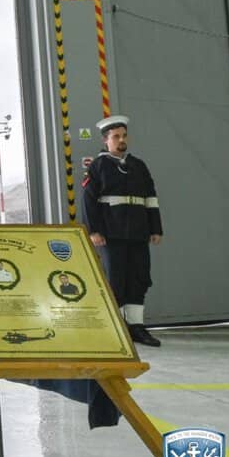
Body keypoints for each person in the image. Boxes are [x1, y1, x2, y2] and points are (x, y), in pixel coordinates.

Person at [81, 115, 163, 347]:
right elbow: (88, 201)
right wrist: (93, 231)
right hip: (111, 233)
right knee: (115, 280)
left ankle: (136, 327)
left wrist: (155, 228)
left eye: (124, 136)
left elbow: (151, 198)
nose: (121, 140)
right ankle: (115, 328)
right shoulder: (97, 167)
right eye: (116, 136)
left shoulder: (138, 166)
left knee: (139, 278)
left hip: (138, 231)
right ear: (106, 140)